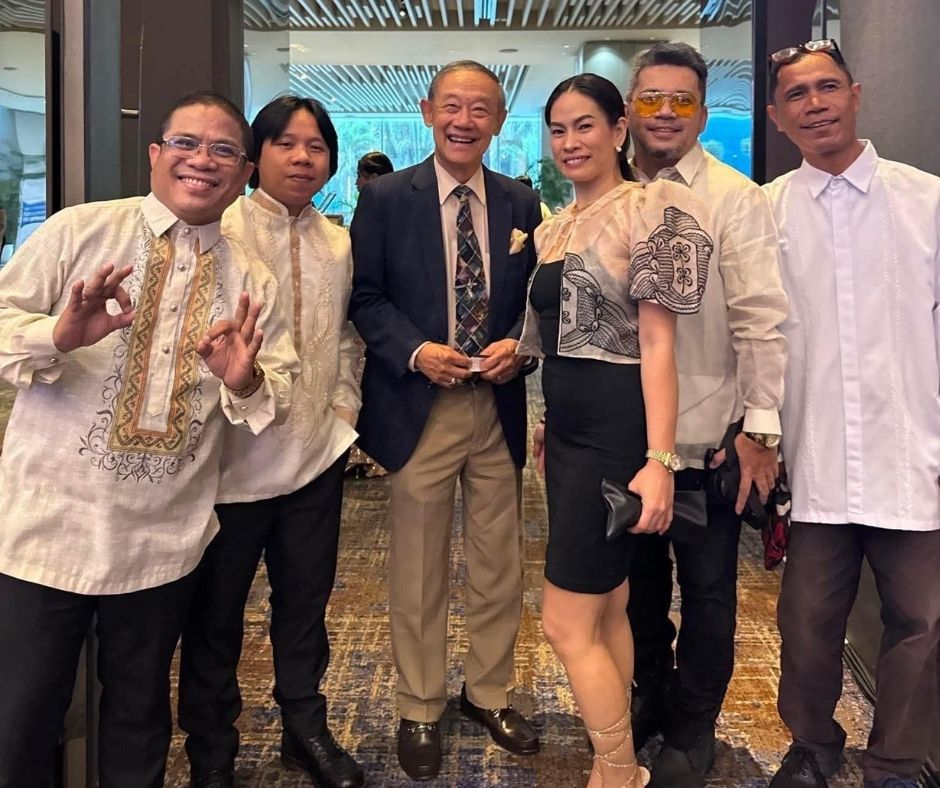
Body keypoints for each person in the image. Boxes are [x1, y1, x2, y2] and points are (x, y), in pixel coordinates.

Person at [0, 90, 297, 788]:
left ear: (244, 172)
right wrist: (57, 336)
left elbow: (274, 399)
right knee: (19, 719)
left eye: (223, 150)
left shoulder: (252, 279)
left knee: (139, 722)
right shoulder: (81, 231)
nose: (203, 160)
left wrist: (245, 380)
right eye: (186, 143)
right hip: (47, 526)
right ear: (156, 154)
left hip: (163, 538)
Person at [349, 60, 542, 782]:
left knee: (499, 563)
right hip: (420, 404)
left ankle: (487, 692)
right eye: (452, 106)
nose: (465, 121)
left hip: (496, 403)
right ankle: (419, 704)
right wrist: (415, 350)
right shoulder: (385, 199)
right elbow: (365, 298)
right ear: (428, 110)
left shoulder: (522, 201)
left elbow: (537, 300)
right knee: (419, 565)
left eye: (481, 109)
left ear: (499, 121)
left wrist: (518, 347)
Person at [519, 73, 713, 788]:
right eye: (559, 129)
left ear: (618, 130)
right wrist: (548, 417)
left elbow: (658, 346)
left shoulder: (649, 208)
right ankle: (622, 762)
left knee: (564, 624)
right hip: (569, 430)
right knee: (607, 609)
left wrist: (660, 459)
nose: (571, 142)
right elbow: (561, 340)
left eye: (586, 126)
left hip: (617, 431)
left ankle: (615, 770)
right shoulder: (554, 226)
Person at [763, 39, 940, 788]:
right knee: (806, 625)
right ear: (776, 116)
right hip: (816, 459)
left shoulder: (927, 201)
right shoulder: (766, 212)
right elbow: (756, 337)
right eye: (796, 95)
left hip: (915, 455)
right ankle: (812, 745)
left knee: (922, 625)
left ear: (856, 94)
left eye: (827, 87)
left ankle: (896, 762)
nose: (815, 105)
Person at [177, 96, 364, 788]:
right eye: (286, 143)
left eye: (316, 146)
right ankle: (212, 751)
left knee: (305, 607)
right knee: (216, 616)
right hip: (229, 467)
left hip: (314, 458)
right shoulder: (222, 227)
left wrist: (343, 409)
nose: (302, 158)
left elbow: (346, 336)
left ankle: (304, 729)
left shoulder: (337, 242)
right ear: (257, 157)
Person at [622, 42, 789, 788]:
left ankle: (694, 727)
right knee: (636, 589)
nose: (664, 113)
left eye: (680, 100)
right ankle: (650, 695)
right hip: (623, 438)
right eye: (650, 98)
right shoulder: (609, 191)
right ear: (630, 107)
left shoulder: (734, 197)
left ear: (702, 111)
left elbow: (761, 319)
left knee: (709, 591)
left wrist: (759, 429)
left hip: (707, 437)